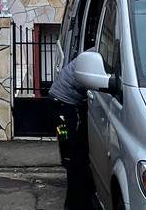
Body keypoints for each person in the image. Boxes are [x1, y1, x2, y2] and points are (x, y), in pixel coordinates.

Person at [50, 51, 96, 210]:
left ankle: (82, 198)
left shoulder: (96, 53)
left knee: (76, 154)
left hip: (61, 102)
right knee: (76, 157)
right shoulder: (97, 57)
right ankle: (74, 204)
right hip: (64, 104)